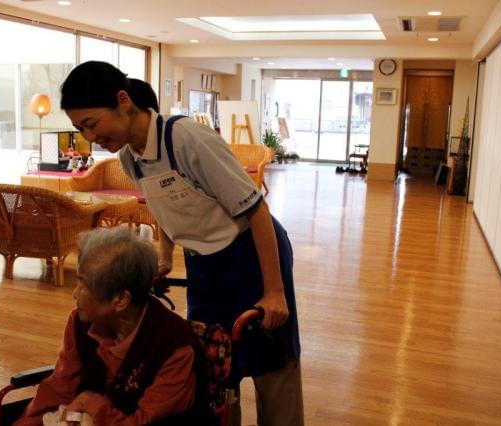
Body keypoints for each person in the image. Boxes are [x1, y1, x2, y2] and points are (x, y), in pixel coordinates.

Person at [60, 61, 304, 425]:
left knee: (273, 364)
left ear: (123, 100)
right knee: (211, 364)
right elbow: (165, 206)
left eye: (91, 124)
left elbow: (257, 210)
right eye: (81, 129)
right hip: (204, 263)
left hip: (251, 253)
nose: (90, 137)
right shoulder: (131, 157)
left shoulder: (187, 138)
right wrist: (164, 255)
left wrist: (274, 292)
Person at [16, 228, 201, 425]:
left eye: (84, 285)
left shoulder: (174, 348)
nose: (75, 294)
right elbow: (60, 388)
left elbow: (142, 422)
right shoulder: (81, 322)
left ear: (121, 299)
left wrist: (91, 402)